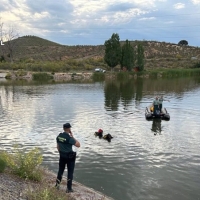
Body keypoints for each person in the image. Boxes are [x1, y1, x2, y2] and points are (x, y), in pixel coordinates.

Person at [55, 123, 80, 193]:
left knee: (60, 171)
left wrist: (61, 153)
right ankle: (69, 189)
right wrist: (72, 136)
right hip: (70, 157)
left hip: (62, 156)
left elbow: (58, 147)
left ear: (63, 128)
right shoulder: (70, 138)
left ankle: (57, 186)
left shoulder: (59, 136)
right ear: (69, 129)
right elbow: (78, 145)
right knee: (70, 172)